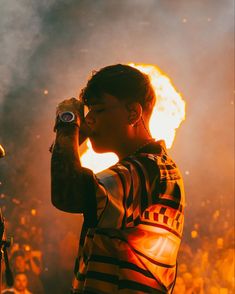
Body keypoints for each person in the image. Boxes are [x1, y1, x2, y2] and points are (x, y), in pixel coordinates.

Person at [50, 64, 185, 293]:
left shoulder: (151, 169)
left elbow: (68, 193)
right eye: (88, 112)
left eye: (99, 110)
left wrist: (67, 122)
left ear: (133, 113)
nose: (89, 120)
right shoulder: (144, 167)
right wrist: (68, 138)